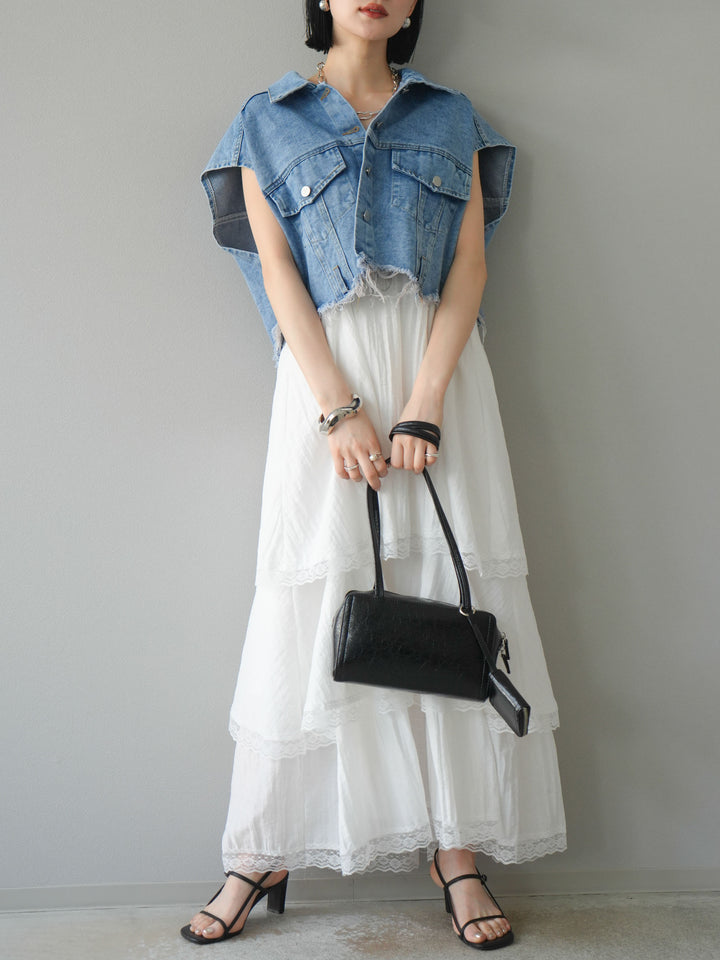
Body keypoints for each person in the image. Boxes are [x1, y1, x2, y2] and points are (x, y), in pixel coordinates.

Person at [183, 0, 566, 950]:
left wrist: (424, 403)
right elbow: (276, 272)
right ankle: (263, 848)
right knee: (311, 595)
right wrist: (336, 407)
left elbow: (469, 268)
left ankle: (457, 851)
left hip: (438, 372)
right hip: (326, 377)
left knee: (449, 590)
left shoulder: (451, 115)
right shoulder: (265, 120)